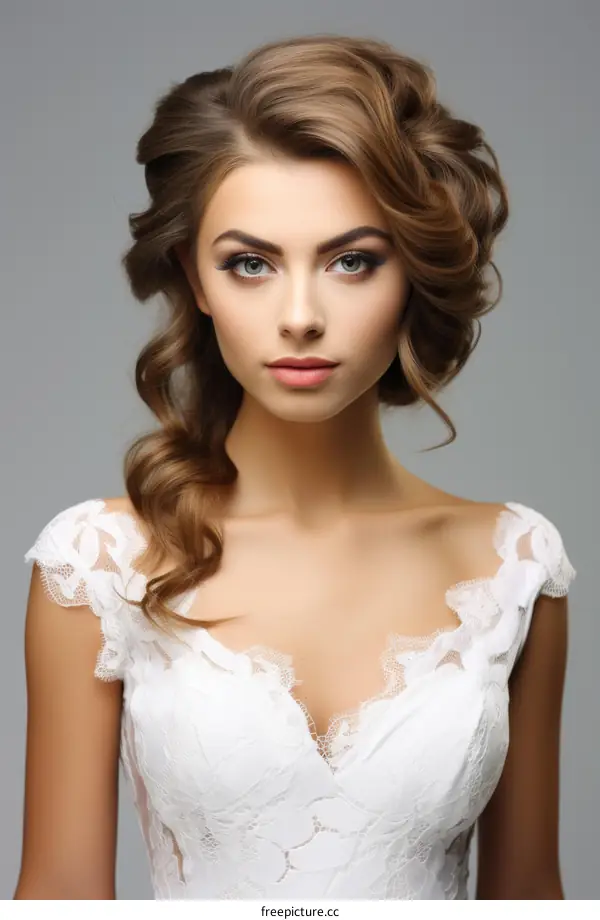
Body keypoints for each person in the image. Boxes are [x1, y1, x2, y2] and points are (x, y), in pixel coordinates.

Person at [15, 34, 576, 901]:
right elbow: (56, 902)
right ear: (195, 281)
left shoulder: (512, 565)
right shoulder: (95, 567)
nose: (302, 316)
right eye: (251, 264)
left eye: (353, 260)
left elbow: (532, 900)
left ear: (412, 275)